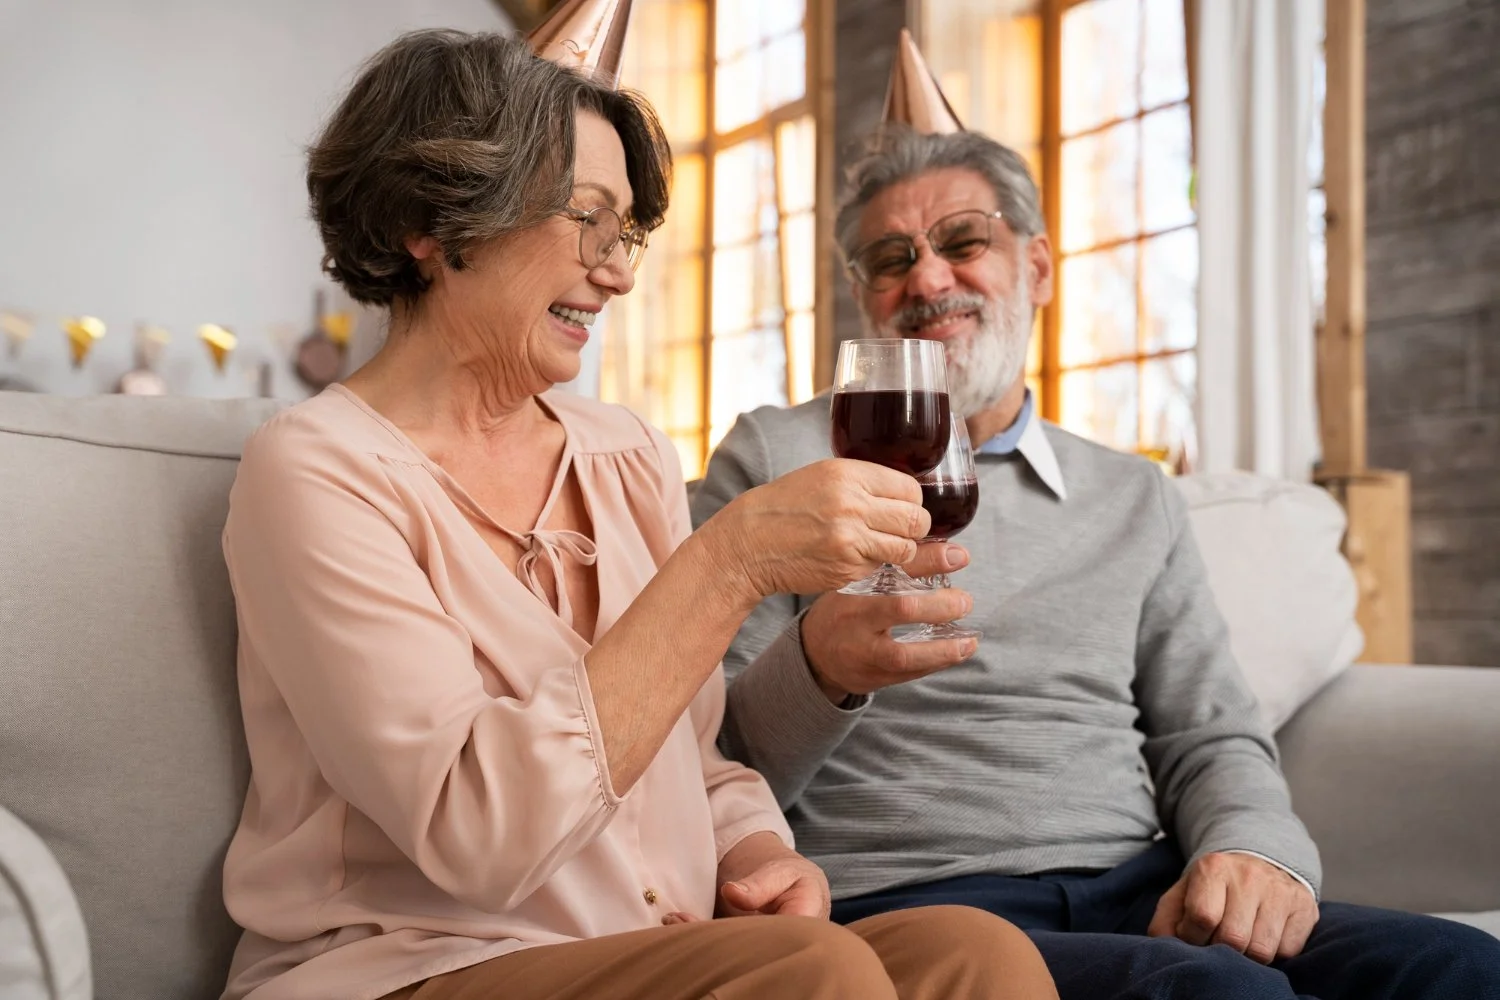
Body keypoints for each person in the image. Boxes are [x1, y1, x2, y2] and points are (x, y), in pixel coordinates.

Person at [218, 28, 1059, 1000]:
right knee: (810, 976)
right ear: (430, 223)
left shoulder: (624, 454)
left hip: (639, 945)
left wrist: (754, 848)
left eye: (624, 233)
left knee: (976, 954)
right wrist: (729, 561)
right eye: (587, 219)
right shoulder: (317, 471)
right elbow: (477, 834)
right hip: (414, 965)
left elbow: (692, 754)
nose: (618, 271)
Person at [691, 120, 1500, 1000]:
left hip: (1138, 888)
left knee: (1461, 968)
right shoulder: (773, 459)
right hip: (912, 904)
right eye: (891, 260)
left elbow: (1211, 731)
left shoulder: (1133, 495)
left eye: (964, 241)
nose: (927, 278)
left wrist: (1252, 847)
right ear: (861, 294)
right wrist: (818, 669)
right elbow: (710, 747)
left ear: (1036, 268)